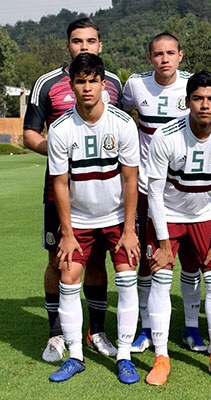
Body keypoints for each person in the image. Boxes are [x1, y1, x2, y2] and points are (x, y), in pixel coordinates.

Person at [23, 17, 123, 363]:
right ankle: (56, 334)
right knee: (59, 259)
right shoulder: (47, 83)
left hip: (103, 192)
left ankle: (97, 331)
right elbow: (30, 134)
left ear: (100, 45)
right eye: (78, 41)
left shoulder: (113, 83)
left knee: (96, 259)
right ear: (68, 44)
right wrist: (62, 153)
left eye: (91, 41)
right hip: (61, 189)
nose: (84, 47)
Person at [143, 71, 211, 384]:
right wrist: (162, 243)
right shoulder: (166, 136)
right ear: (187, 102)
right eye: (198, 98)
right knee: (161, 279)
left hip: (205, 215)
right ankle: (161, 357)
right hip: (167, 214)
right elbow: (154, 194)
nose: (204, 105)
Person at [47, 53, 140, 383]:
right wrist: (67, 232)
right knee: (68, 277)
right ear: (72, 86)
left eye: (92, 81)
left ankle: (125, 356)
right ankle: (75, 356)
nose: (87, 87)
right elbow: (60, 183)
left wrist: (129, 229)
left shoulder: (122, 123)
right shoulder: (60, 129)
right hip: (80, 221)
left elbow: (130, 179)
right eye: (80, 81)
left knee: (127, 278)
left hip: (116, 219)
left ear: (103, 84)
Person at [121, 33, 207, 354]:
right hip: (148, 190)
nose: (165, 59)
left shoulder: (193, 87)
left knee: (191, 263)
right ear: (150, 57)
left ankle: (191, 328)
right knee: (149, 262)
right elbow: (121, 116)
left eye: (171, 53)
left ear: (181, 55)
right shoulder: (136, 85)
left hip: (188, 191)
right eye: (158, 54)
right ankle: (146, 328)